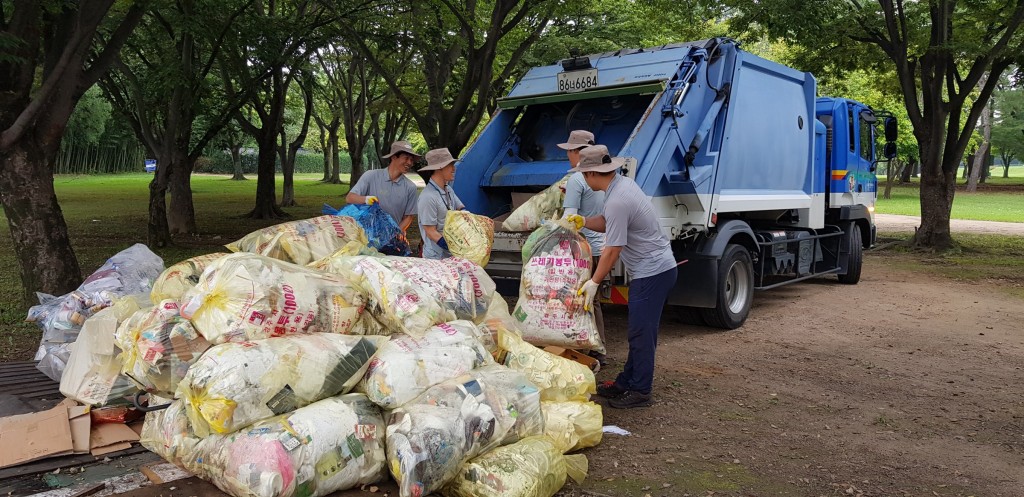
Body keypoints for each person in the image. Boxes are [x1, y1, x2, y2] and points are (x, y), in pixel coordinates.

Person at [567, 145, 678, 409]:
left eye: (584, 174)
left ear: (594, 173)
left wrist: (594, 282)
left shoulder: (617, 199)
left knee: (641, 333)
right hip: (655, 268)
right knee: (639, 331)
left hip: (653, 272)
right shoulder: (621, 186)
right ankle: (625, 382)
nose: (582, 179)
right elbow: (608, 222)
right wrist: (583, 221)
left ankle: (640, 392)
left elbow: (612, 249)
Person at [557, 130, 607, 365]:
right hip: (599, 247)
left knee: (582, 299)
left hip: (583, 250)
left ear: (578, 152)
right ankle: (596, 347)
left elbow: (569, 217)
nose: (568, 154)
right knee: (592, 299)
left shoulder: (577, 179)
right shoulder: (599, 177)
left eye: (569, 150)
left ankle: (592, 348)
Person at [346, 140, 421, 237]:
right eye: (406, 158)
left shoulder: (410, 187)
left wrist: (396, 232)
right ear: (394, 157)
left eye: (411, 160)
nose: (410, 163)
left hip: (391, 239)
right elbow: (350, 198)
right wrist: (366, 199)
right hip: (365, 237)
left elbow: (409, 217)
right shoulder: (371, 176)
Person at [417, 147, 465, 259]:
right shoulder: (428, 197)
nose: (454, 169)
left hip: (450, 255)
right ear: (439, 168)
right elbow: (430, 231)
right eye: (450, 165)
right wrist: (452, 246)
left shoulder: (448, 189)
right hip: (435, 258)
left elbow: (460, 208)